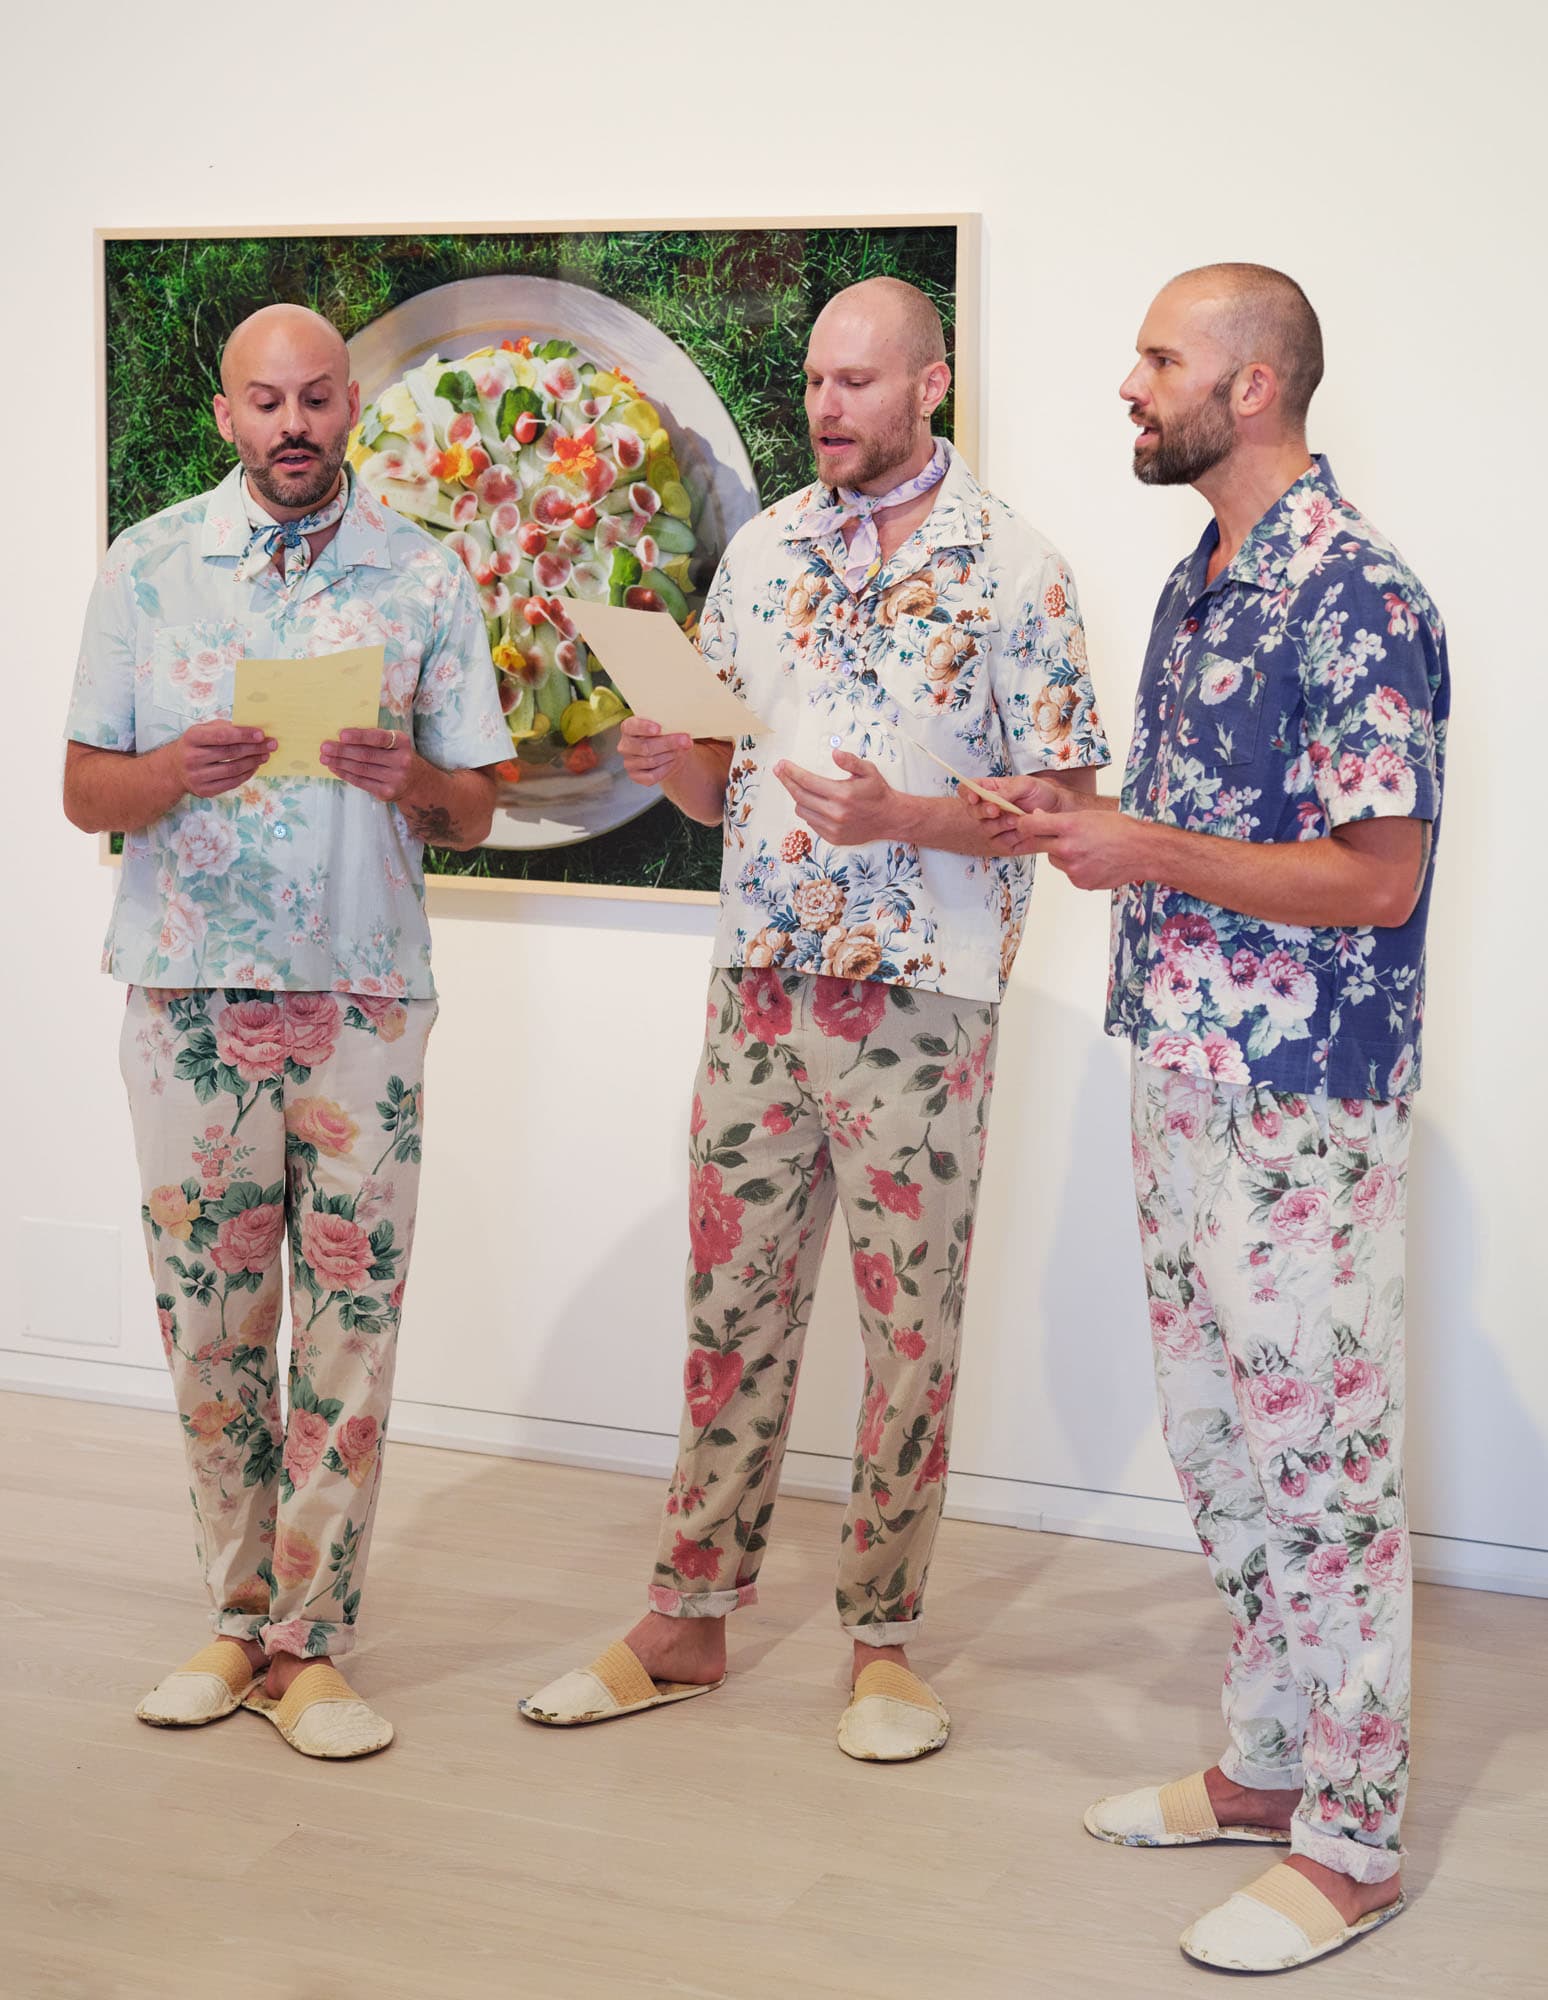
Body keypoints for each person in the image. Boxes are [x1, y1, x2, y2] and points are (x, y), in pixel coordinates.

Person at [520, 276, 1109, 1760]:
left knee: (909, 1331)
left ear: (931, 384)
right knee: (730, 1314)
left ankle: (884, 1647)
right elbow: (717, 790)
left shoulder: (1018, 571)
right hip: (758, 989)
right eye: (814, 381)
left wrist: (909, 817)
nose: (826, 407)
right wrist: (666, 755)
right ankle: (686, 1620)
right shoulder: (764, 550)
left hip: (924, 999)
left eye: (857, 380)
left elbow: (1066, 813)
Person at [969, 264, 1447, 1971]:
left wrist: (1147, 847)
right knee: (1219, 1440)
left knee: (1324, 1467)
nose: (1131, 383)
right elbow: (1189, 839)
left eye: (1161, 358)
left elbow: (1378, 880)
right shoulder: (1201, 583)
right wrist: (1068, 820)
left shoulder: (1358, 594)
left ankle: (1357, 1840)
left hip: (1302, 1103)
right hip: (1176, 1076)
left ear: (1251, 387)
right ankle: (1267, 1762)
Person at [63, 303, 508, 1759]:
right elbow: (81, 791)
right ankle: (233, 1617)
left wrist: (409, 779)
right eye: (267, 401)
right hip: (187, 994)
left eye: (317, 397)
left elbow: (476, 806)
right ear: (227, 415)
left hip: (365, 996)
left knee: (350, 1327)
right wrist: (170, 772)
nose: (294, 424)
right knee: (211, 1319)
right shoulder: (145, 568)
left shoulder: (423, 572)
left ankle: (313, 1647)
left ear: (350, 407)